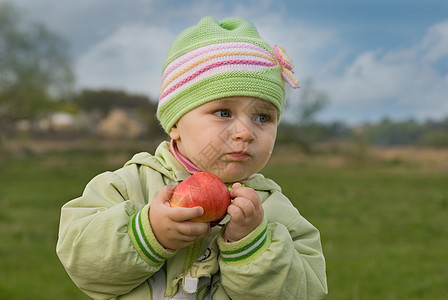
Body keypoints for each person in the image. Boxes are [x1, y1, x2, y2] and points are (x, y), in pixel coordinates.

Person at [56, 16, 328, 299]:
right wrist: (149, 233)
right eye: (224, 113)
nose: (246, 132)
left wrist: (252, 246)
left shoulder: (276, 212)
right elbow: (81, 261)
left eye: (263, 117)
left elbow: (305, 291)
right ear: (175, 124)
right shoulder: (129, 184)